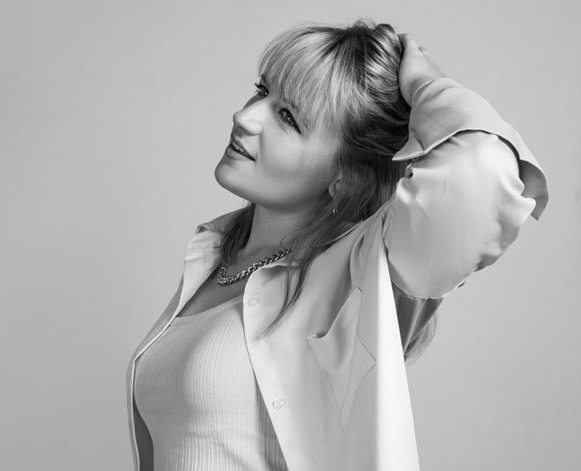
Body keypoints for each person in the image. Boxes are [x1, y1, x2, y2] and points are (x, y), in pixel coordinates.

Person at [126, 19, 549, 471]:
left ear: (348, 178)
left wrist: (427, 84)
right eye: (261, 91)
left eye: (288, 117)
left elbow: (480, 172)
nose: (244, 117)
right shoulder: (214, 257)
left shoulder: (361, 279)